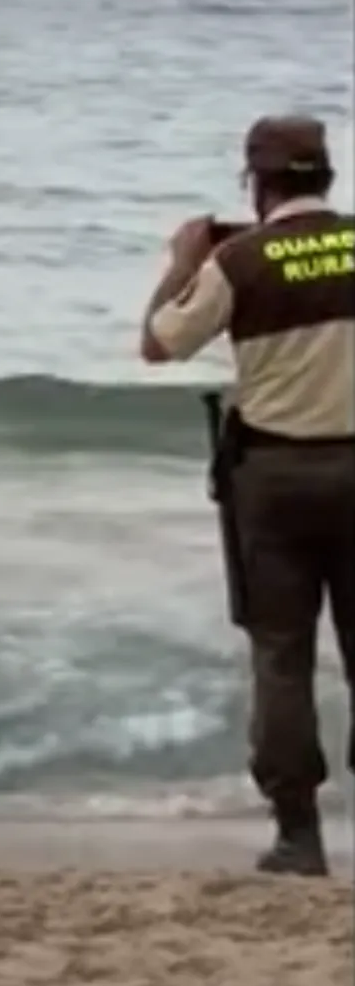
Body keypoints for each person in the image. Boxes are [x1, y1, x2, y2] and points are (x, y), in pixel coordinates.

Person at [139, 115, 354, 878]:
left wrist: (182, 262)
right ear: (324, 177)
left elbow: (158, 344)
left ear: (256, 184)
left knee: (282, 654)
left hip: (276, 481)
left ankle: (299, 835)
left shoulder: (240, 259)